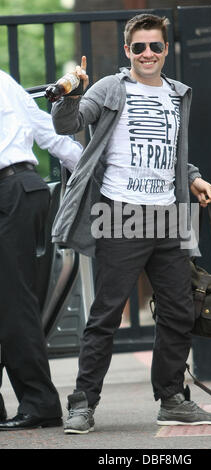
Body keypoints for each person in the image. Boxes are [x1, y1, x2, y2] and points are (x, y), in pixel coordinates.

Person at [51, 13, 211, 434]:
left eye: (156, 46)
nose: (148, 54)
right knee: (106, 315)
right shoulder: (112, 88)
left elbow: (171, 151)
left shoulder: (177, 93)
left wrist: (193, 177)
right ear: (128, 50)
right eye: (139, 47)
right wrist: (70, 91)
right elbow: (68, 124)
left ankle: (172, 399)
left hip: (170, 214)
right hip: (121, 213)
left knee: (180, 311)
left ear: (166, 51)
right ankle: (82, 404)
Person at [0, 69, 83, 431]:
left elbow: (45, 128)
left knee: (13, 302)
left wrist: (89, 171)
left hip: (10, 189)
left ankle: (41, 403)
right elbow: (44, 127)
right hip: (20, 190)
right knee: (11, 301)